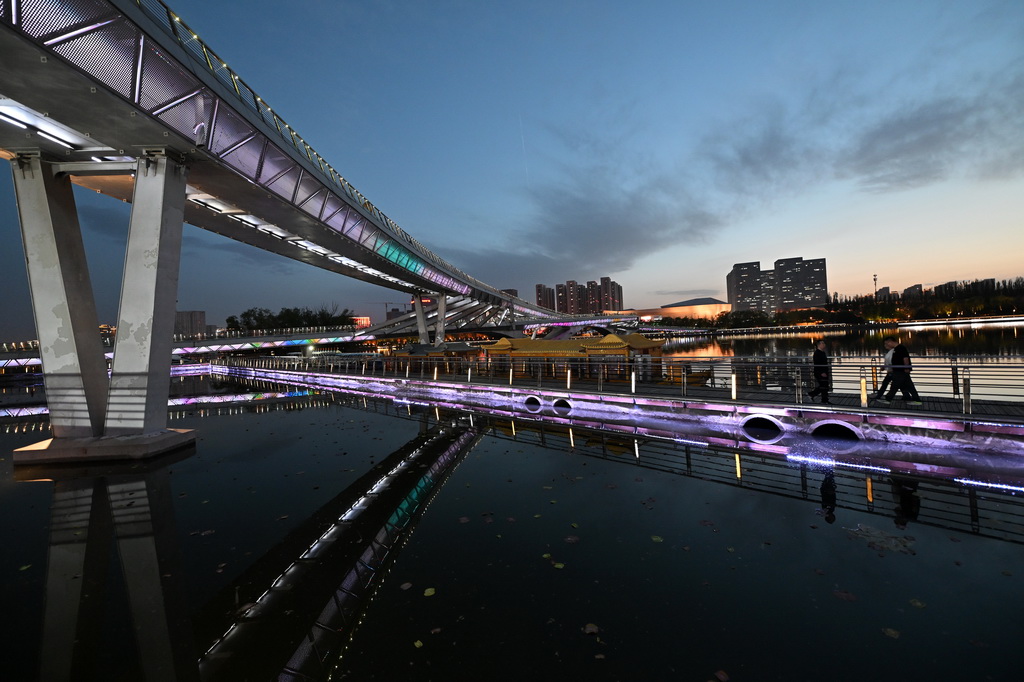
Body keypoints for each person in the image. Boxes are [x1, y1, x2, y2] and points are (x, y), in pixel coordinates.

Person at [878, 336, 922, 405]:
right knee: (909, 386)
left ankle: (888, 399)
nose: (886, 345)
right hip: (899, 370)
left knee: (895, 386)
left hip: (900, 370)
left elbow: (905, 358)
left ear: (890, 342)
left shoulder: (901, 348)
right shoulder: (896, 349)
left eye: (887, 343)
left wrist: (906, 368)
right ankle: (917, 400)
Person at [807, 339, 831, 404]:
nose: (824, 345)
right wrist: (822, 372)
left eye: (824, 343)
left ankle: (824, 400)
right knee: (823, 385)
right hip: (820, 372)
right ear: (819, 345)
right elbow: (818, 364)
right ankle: (812, 394)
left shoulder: (822, 352)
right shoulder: (817, 353)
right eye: (822, 343)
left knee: (824, 386)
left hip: (824, 372)